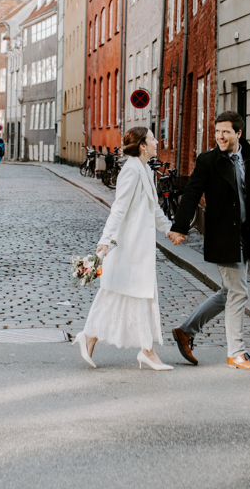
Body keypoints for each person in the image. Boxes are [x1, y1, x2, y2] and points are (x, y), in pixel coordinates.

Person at [168, 110, 250, 371]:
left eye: (225, 132)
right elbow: (192, 193)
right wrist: (179, 226)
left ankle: (186, 331)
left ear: (238, 133)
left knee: (229, 292)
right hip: (224, 235)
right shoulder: (209, 161)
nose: (220, 136)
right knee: (238, 292)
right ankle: (236, 353)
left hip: (246, 234)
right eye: (217, 132)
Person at [76, 127, 174, 371]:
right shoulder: (131, 170)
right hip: (129, 246)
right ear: (142, 145)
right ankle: (93, 337)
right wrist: (105, 240)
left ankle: (145, 349)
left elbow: (154, 208)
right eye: (152, 139)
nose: (156, 142)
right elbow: (118, 209)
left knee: (136, 294)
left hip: (139, 247)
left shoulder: (145, 170)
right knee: (119, 293)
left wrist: (169, 229)